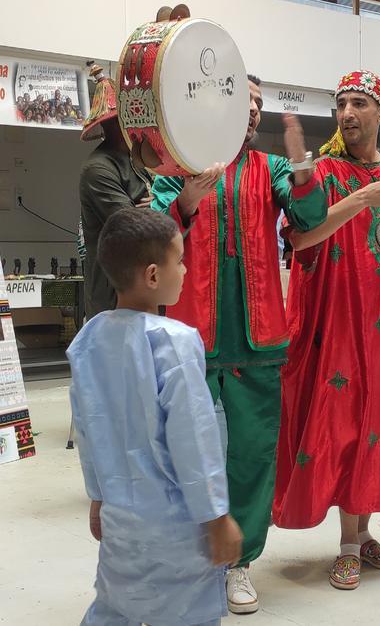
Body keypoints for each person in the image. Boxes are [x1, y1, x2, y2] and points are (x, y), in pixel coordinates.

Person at [150, 74, 327, 614]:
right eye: (241, 102)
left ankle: (239, 562)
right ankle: (189, 559)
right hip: (190, 340)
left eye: (258, 106)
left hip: (258, 340)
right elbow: (149, 236)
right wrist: (184, 204)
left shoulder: (269, 169)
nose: (251, 114)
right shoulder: (176, 167)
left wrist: (301, 167)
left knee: (250, 454)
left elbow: (308, 219)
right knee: (184, 453)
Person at [275, 69, 380, 591]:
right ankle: (349, 544)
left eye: (358, 104)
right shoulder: (323, 172)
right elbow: (302, 239)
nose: (347, 113)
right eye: (341, 104)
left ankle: (364, 530)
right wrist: (361, 199)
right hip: (337, 312)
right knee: (344, 418)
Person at [67, 207, 243, 626]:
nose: (184, 269)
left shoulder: (88, 339)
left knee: (115, 606)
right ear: (151, 275)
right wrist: (216, 516)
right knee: (188, 613)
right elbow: (193, 439)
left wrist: (97, 496)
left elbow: (88, 430)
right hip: (177, 525)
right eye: (179, 260)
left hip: (121, 522)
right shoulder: (174, 343)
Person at [77, 64, 159, 315]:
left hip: (145, 288)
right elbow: (130, 225)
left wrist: (155, 206)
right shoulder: (98, 168)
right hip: (113, 295)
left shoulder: (141, 162)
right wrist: (159, 208)